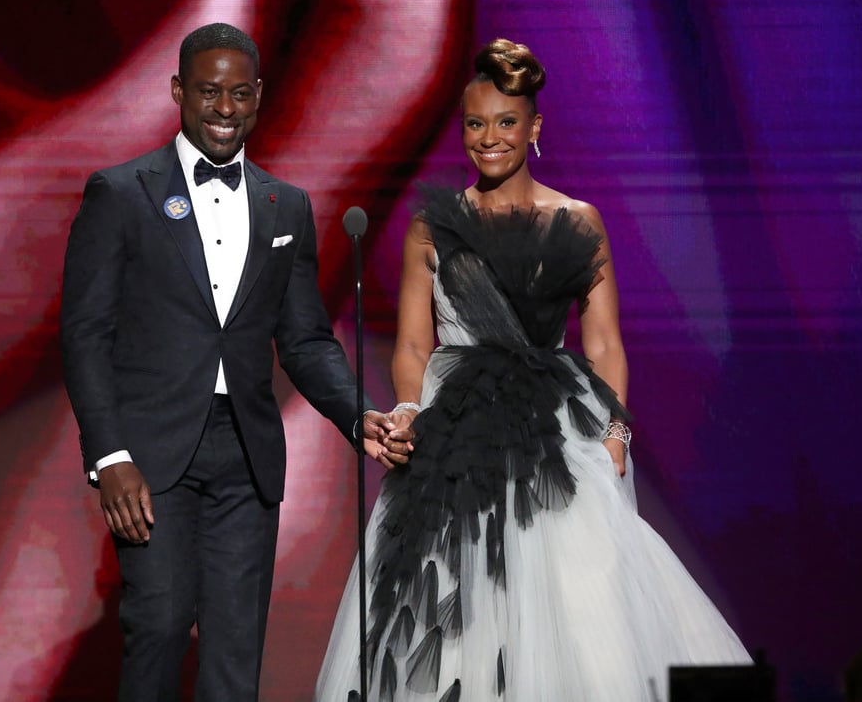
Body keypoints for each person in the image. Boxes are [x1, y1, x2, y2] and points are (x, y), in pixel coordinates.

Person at [315, 38, 752, 701]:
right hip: (452, 435)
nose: (489, 138)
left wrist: (614, 435)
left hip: (552, 430)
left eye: (506, 122)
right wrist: (408, 408)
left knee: (574, 599)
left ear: (535, 127)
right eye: (475, 124)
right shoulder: (433, 226)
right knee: (446, 599)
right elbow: (411, 345)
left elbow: (603, 342)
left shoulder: (578, 220)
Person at [60, 22, 403, 702]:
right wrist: (109, 455)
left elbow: (304, 339)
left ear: (258, 96)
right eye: (210, 92)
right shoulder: (121, 193)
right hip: (151, 453)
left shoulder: (288, 206)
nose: (224, 108)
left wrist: (356, 412)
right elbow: (85, 333)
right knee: (158, 623)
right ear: (177, 91)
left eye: (239, 93)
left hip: (246, 455)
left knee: (234, 650)